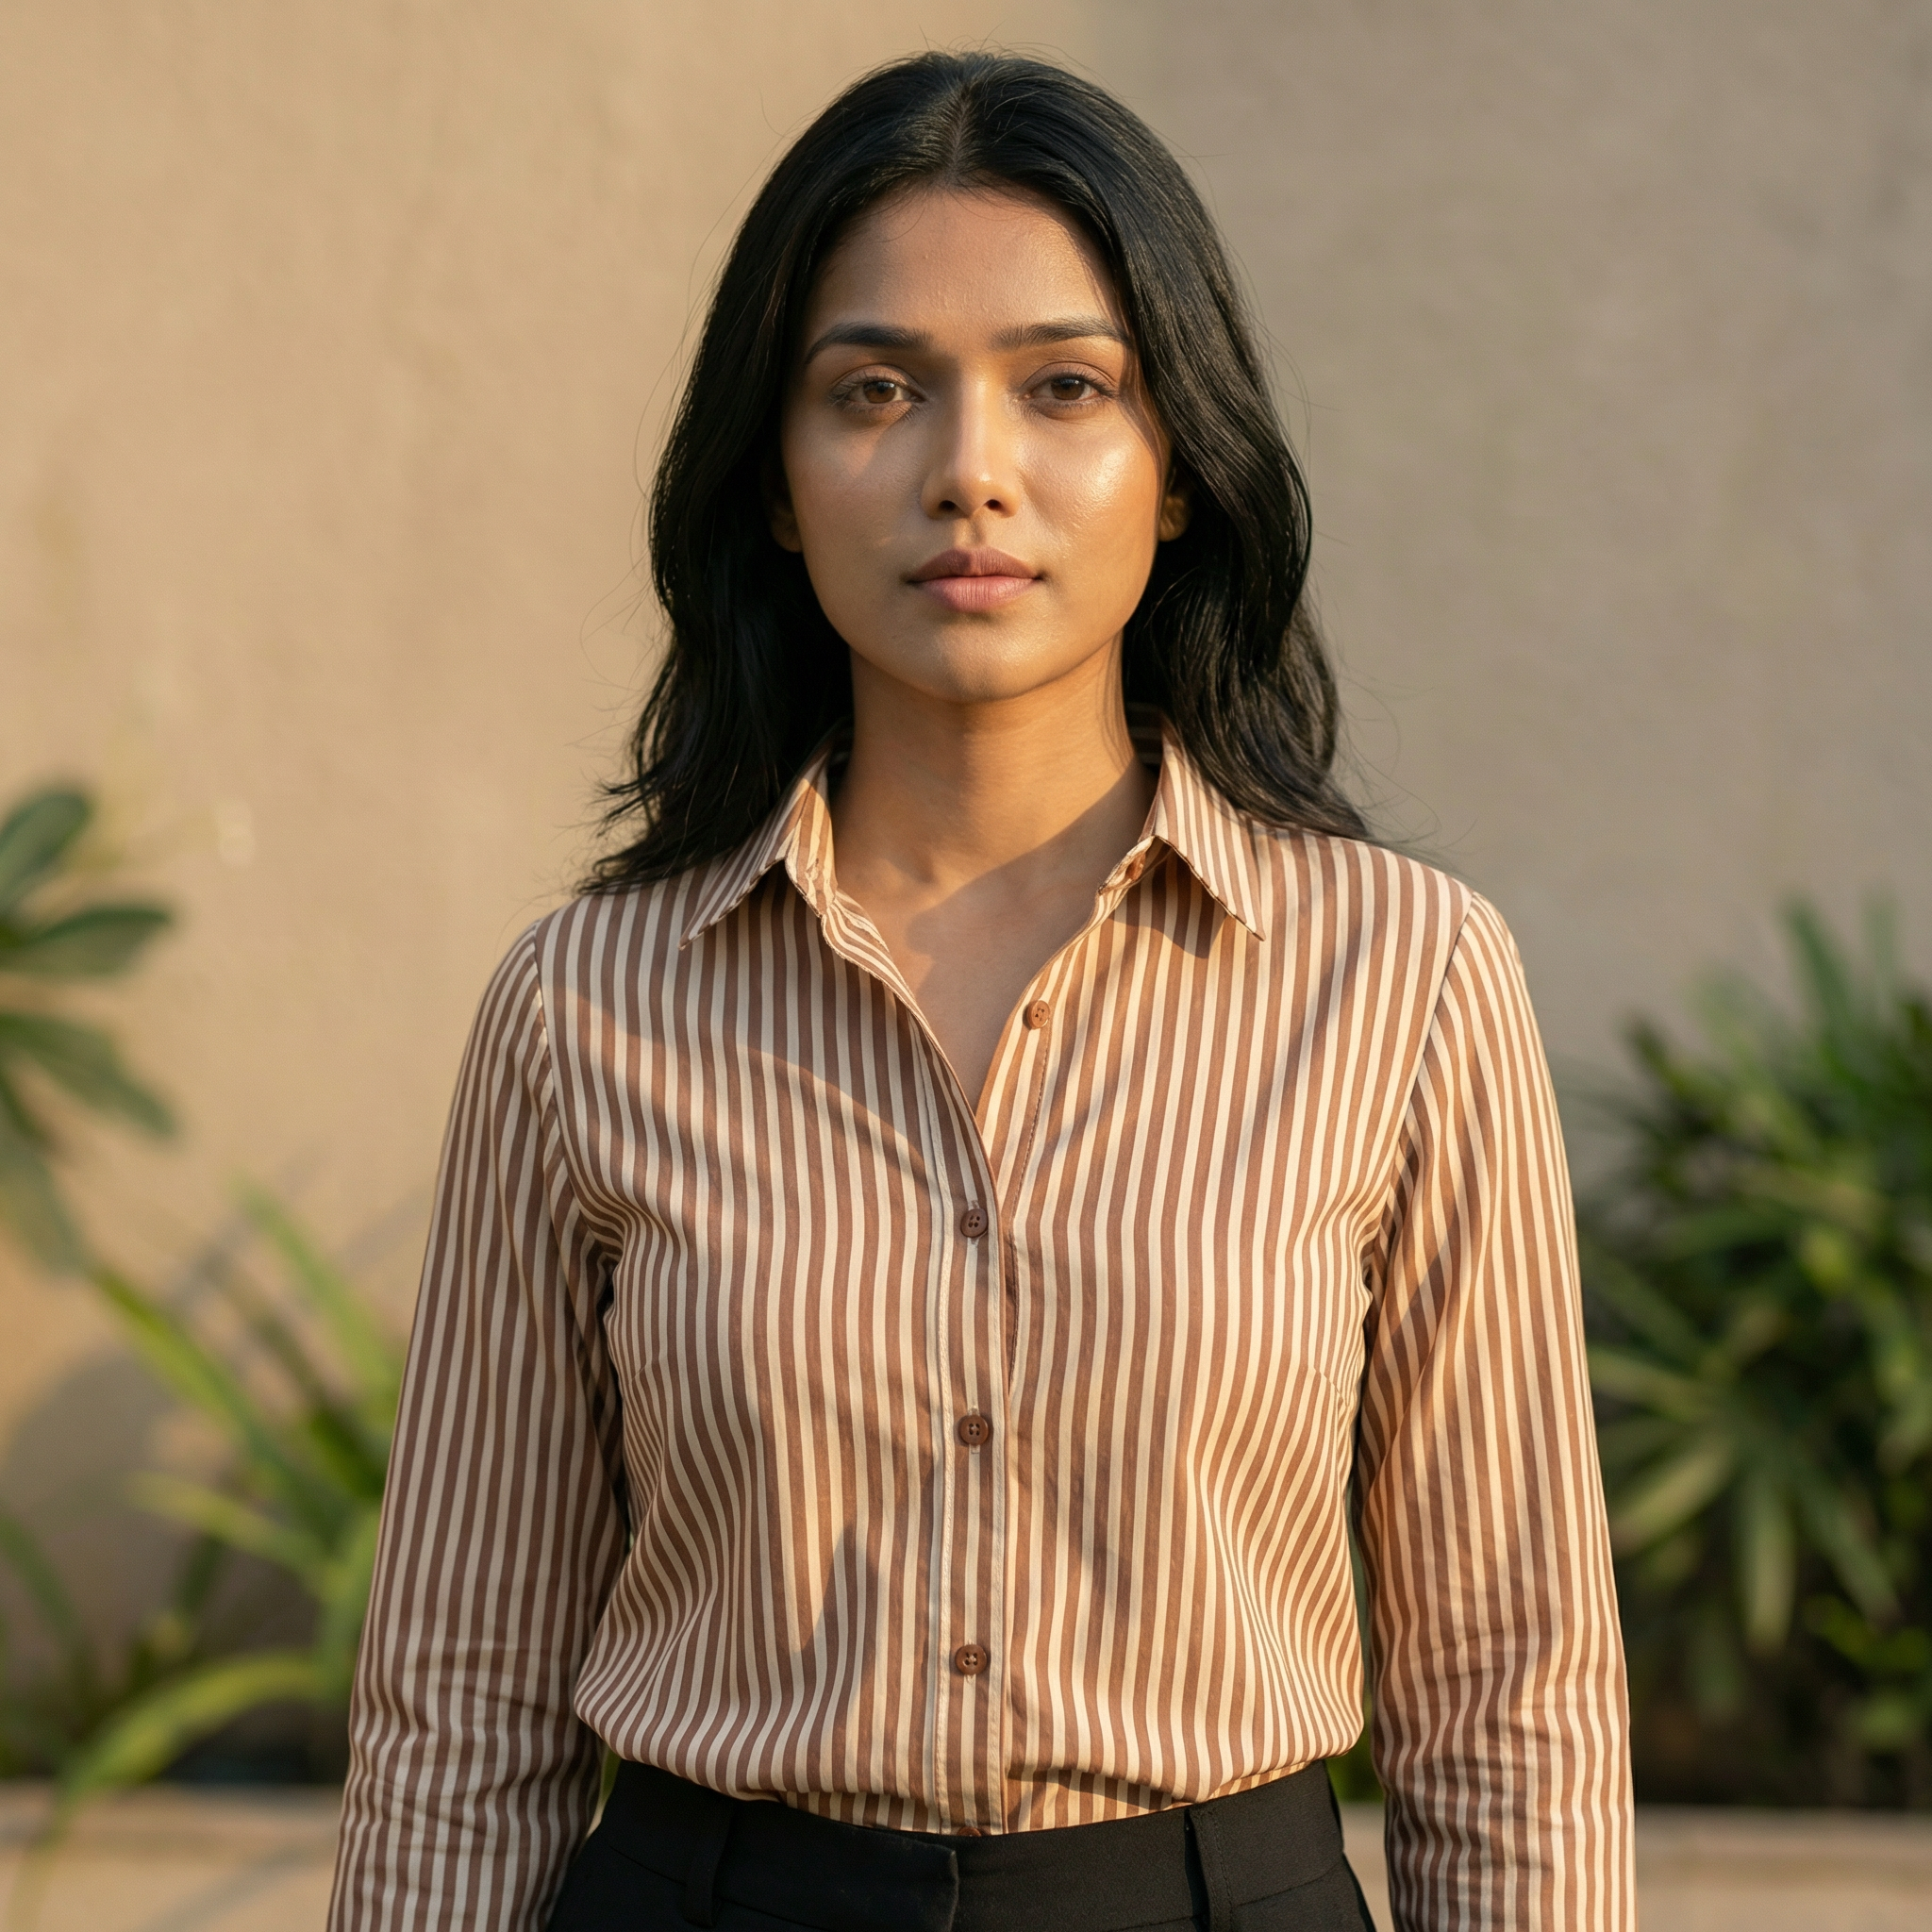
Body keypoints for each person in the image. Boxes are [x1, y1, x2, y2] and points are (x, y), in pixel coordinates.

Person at [327, 50, 1632, 1932]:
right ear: (774, 484)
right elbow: (459, 1698)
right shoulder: (584, 1005)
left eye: (1065, 387)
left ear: (1177, 468)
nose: (970, 472)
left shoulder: (1405, 981)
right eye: (874, 390)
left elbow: (1509, 1698)